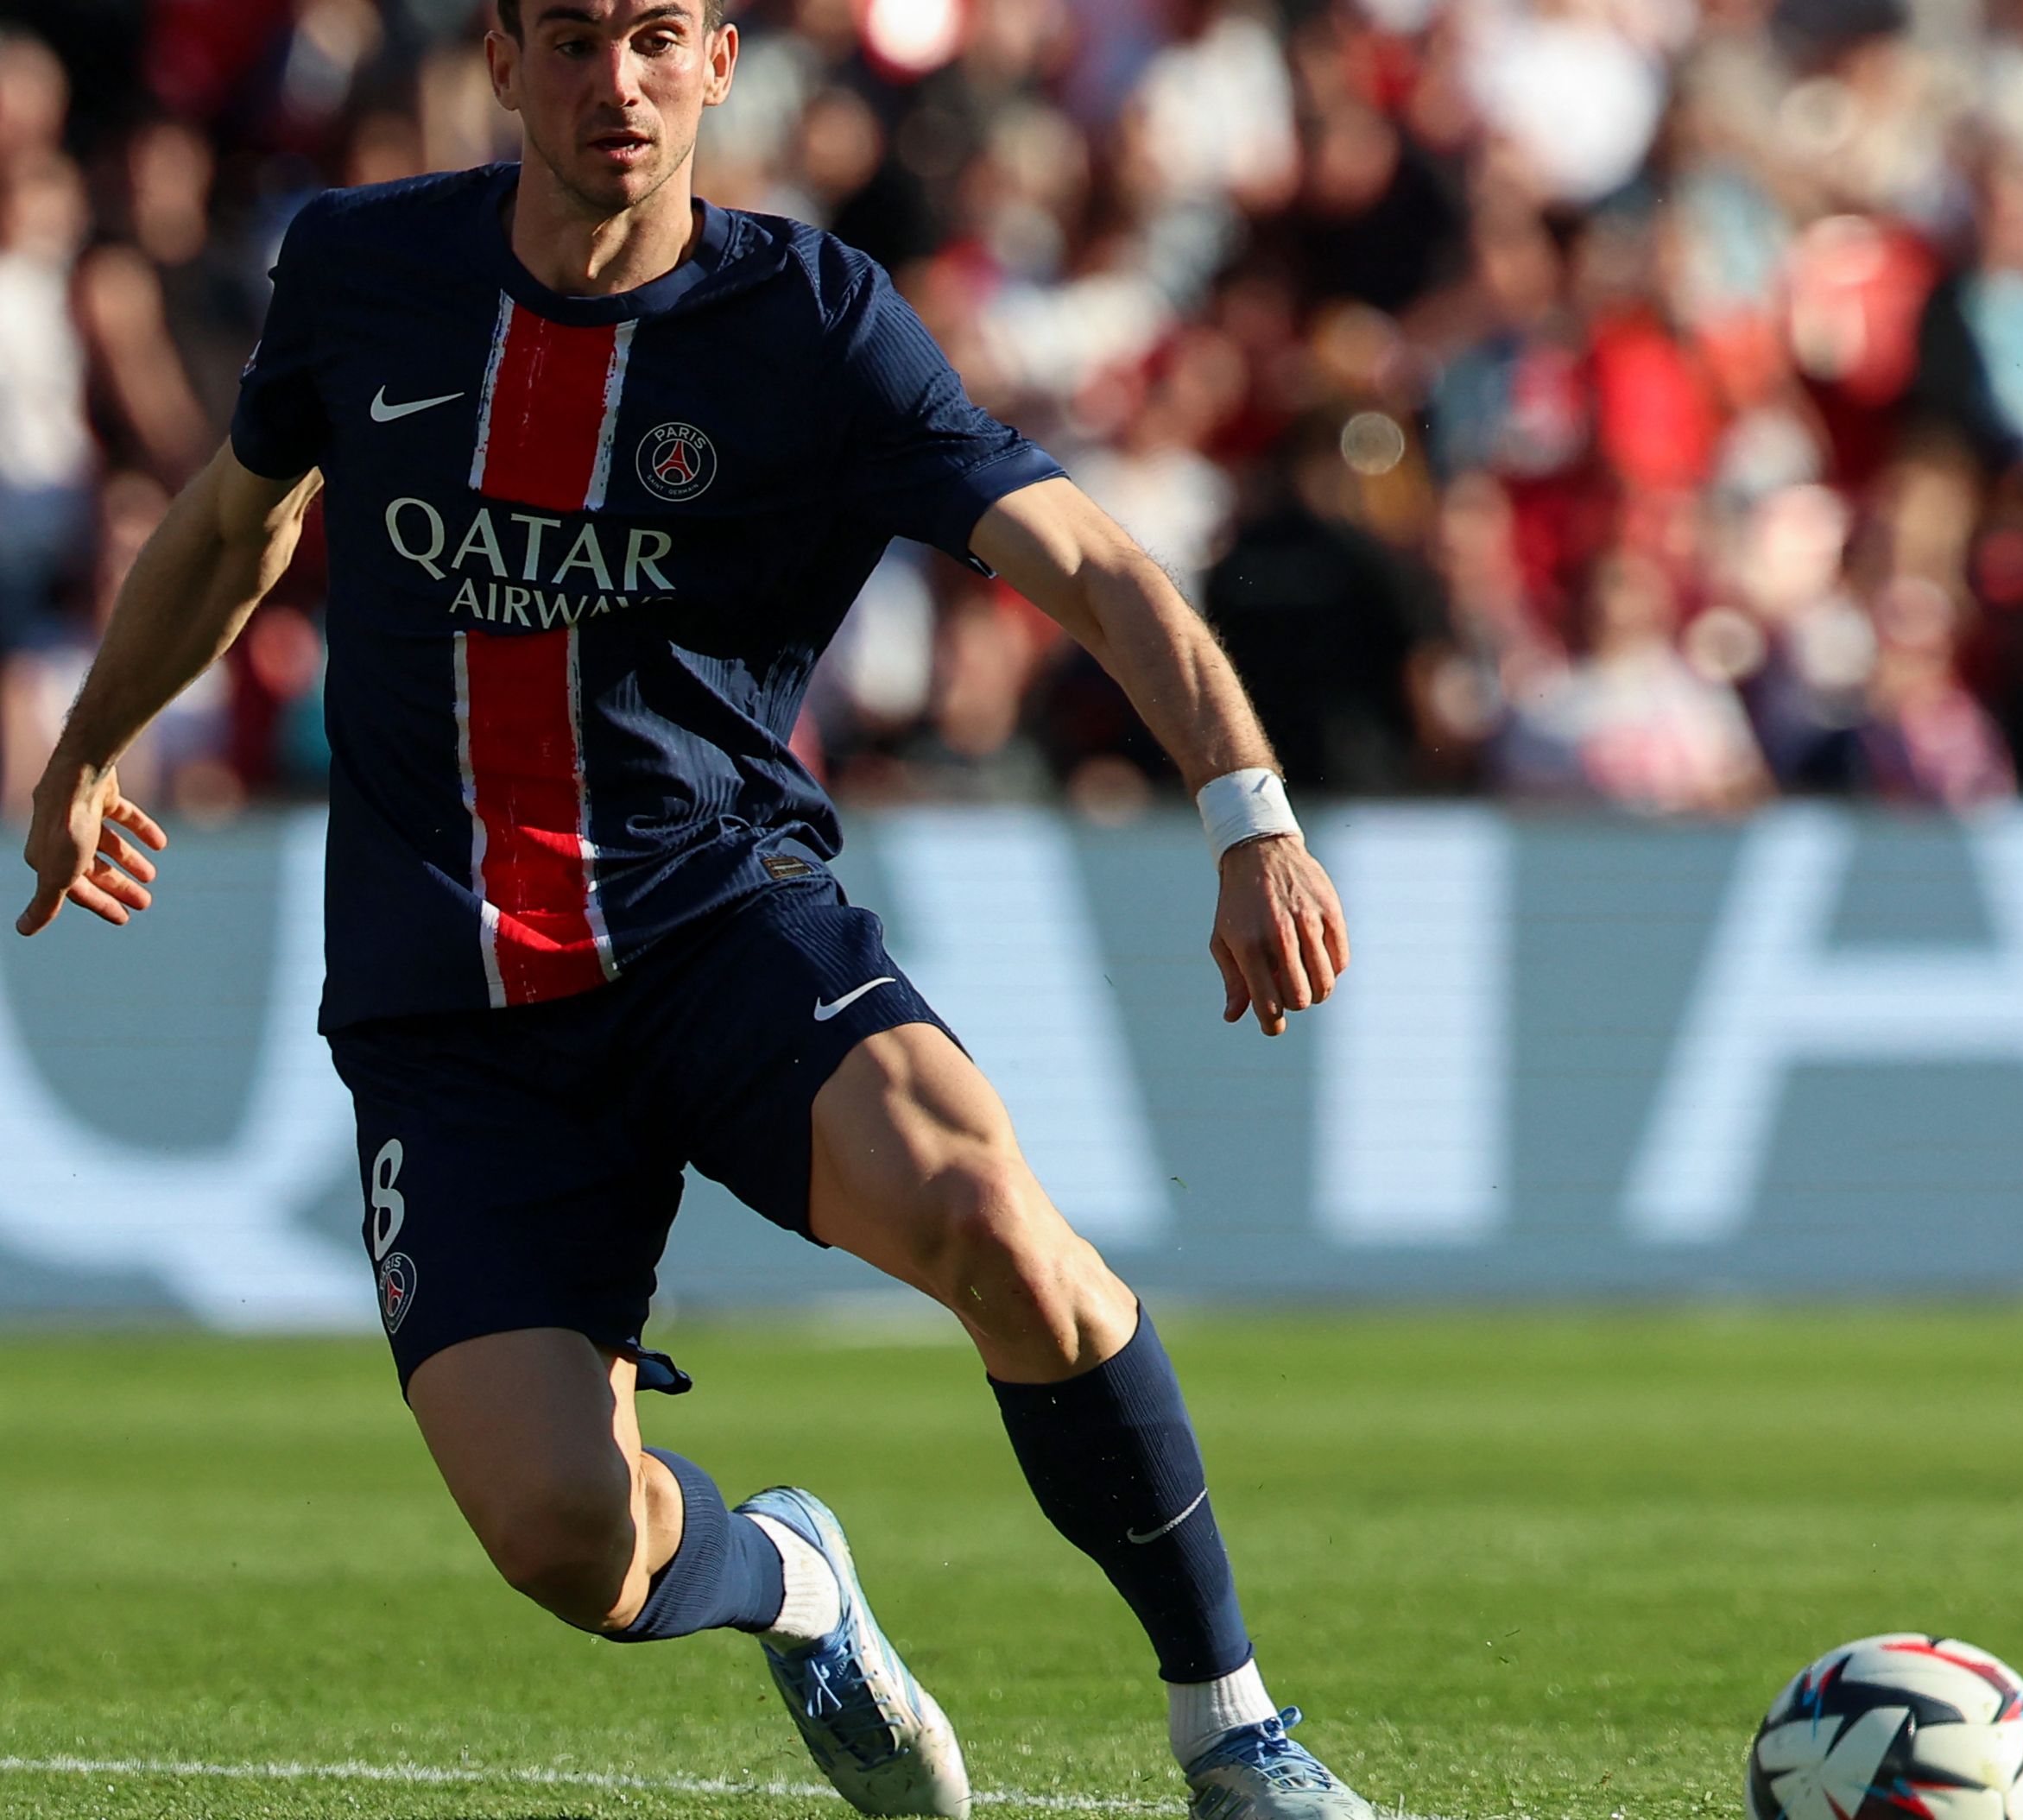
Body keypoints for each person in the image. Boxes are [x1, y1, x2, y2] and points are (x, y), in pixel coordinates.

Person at [9, 4, 1369, 1818]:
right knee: (569, 1538)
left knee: (990, 1219)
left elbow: (1092, 563)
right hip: (452, 999)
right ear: (500, 62)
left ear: (720, 64)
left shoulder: (811, 325)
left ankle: (1237, 1733)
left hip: (719, 921)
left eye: (655, 37)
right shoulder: (360, 268)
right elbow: (240, 524)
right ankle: (796, 1575)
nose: (615, 82)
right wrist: (90, 748)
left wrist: (1248, 814)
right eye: (571, 40)